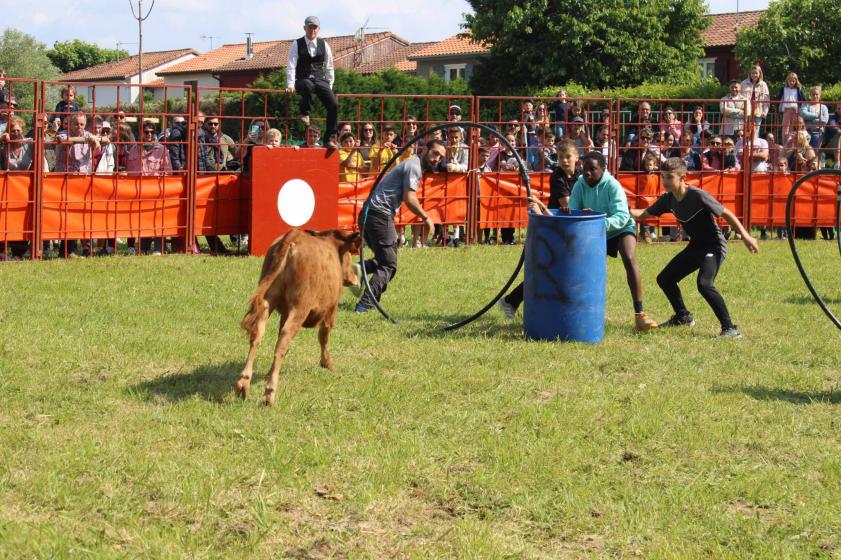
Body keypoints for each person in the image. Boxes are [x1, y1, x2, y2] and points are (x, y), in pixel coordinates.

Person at [630, 157, 758, 338]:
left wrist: (746, 236)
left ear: (683, 177)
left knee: (704, 284)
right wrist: (622, 210)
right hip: (696, 246)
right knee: (665, 279)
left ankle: (730, 328)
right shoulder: (668, 199)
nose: (665, 181)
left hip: (714, 247)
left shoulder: (697, 195)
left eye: (670, 177)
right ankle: (683, 317)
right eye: (663, 176)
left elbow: (727, 214)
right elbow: (643, 214)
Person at [354, 140, 445, 313]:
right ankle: (365, 305)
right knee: (389, 265)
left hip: (370, 214)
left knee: (385, 258)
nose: (437, 159)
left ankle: (357, 270)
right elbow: (409, 198)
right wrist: (426, 217)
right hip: (379, 215)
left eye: (440, 157)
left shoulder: (412, 164)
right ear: (425, 149)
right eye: (435, 153)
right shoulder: (414, 166)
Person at [497, 139, 580, 317]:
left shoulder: (580, 175)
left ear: (577, 157)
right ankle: (510, 300)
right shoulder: (557, 176)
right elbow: (569, 204)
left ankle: (512, 300)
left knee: (555, 270)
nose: (564, 161)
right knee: (546, 270)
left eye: (568, 157)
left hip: (569, 228)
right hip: (552, 225)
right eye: (560, 157)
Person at [286, 16, 338, 149]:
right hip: (301, 79)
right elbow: (291, 65)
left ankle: (329, 139)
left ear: (318, 29)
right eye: (310, 27)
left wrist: (329, 86)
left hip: (320, 79)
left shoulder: (324, 44)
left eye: (315, 27)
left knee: (333, 104)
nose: (312, 30)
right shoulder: (296, 44)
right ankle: (305, 112)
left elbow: (329, 66)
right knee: (307, 85)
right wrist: (290, 84)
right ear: (305, 28)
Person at [740, 64, 770, 135]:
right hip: (746, 112)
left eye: (756, 73)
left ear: (760, 74)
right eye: (752, 73)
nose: (754, 75)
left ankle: (755, 145)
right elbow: (740, 97)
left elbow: (766, 100)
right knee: (745, 131)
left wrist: (765, 112)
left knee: (755, 132)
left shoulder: (763, 85)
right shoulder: (743, 83)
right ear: (750, 74)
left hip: (758, 112)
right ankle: (745, 146)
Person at [777, 72, 806, 141]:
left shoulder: (798, 89)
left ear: (796, 81)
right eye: (790, 81)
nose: (791, 82)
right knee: (785, 127)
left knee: (794, 127)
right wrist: (778, 108)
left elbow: (803, 99)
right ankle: (785, 144)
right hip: (786, 109)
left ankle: (793, 144)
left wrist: (800, 89)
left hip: (795, 110)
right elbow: (779, 98)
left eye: (793, 81)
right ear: (787, 81)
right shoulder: (783, 89)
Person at [800, 85, 829, 151]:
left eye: (817, 94)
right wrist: (817, 115)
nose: (815, 96)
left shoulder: (824, 107)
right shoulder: (805, 104)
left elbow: (825, 121)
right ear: (810, 95)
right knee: (803, 151)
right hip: (806, 132)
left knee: (815, 152)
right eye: (813, 94)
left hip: (818, 133)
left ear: (820, 95)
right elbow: (803, 114)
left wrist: (809, 119)